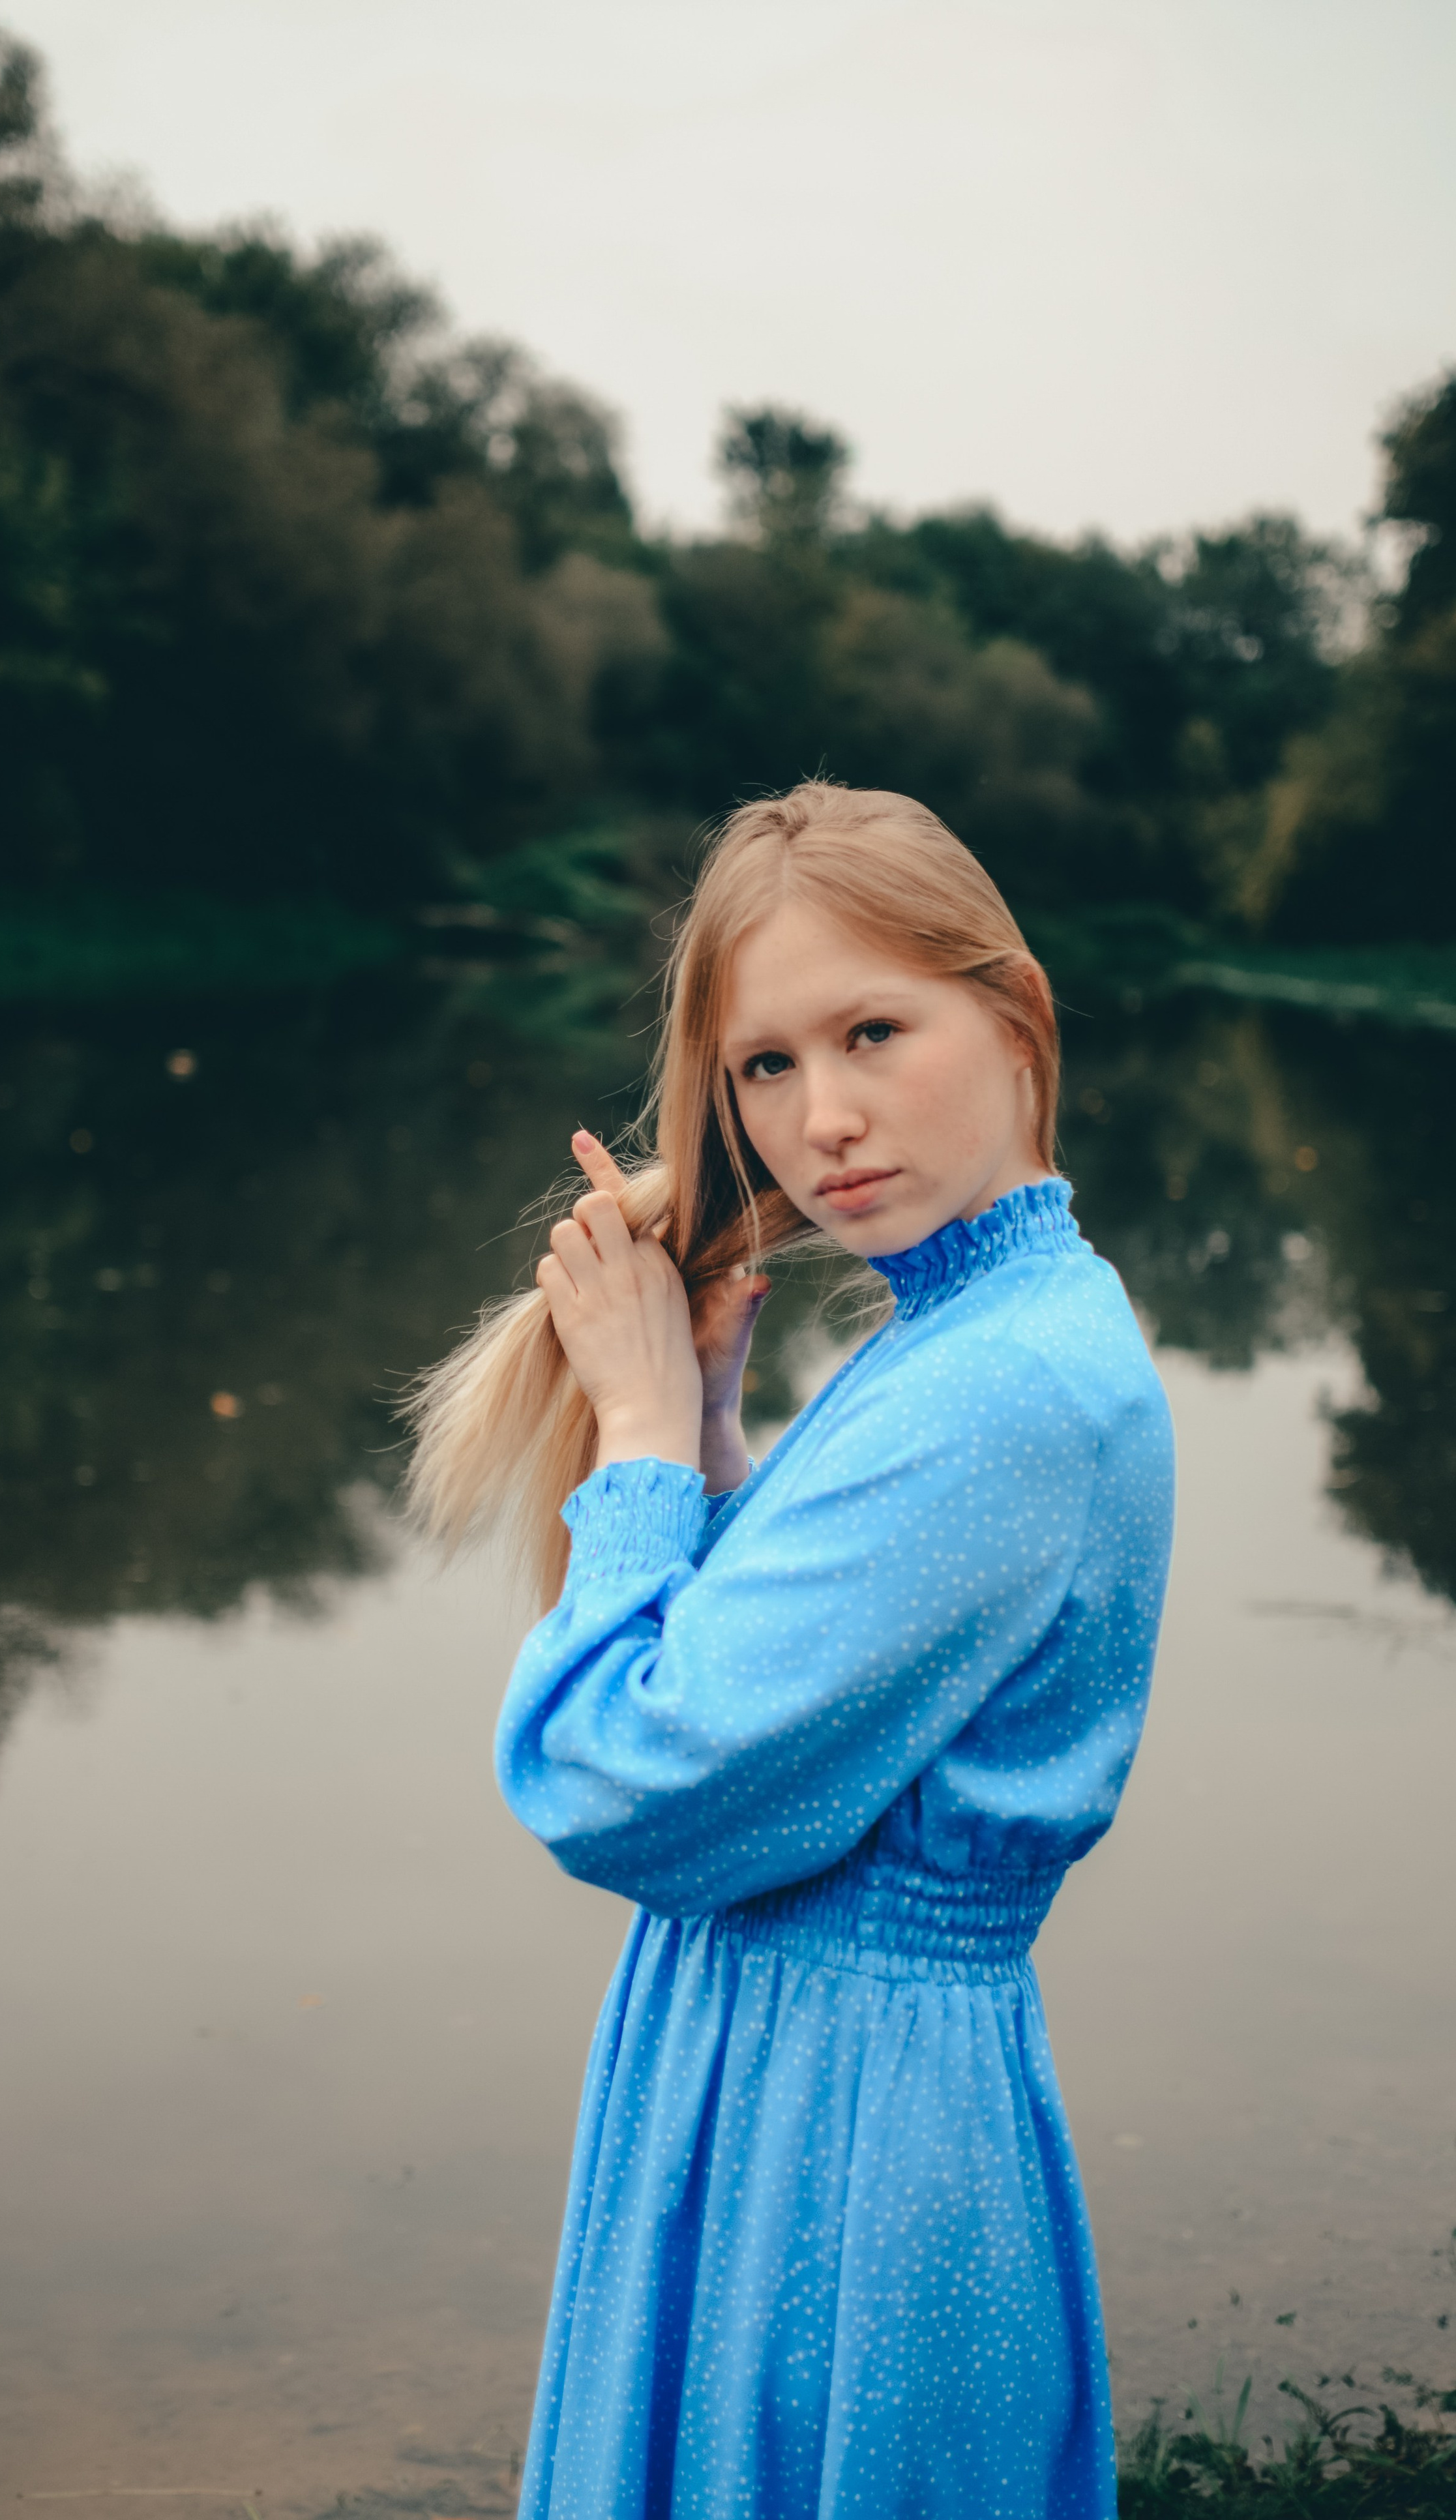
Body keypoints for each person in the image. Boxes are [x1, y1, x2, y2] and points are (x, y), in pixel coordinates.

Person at [406, 781, 1175, 2520]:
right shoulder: (981, 1323)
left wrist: (641, 1441)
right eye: (766, 1065)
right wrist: (725, 1438)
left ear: (1017, 1011)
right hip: (818, 2078)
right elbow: (860, 1680)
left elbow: (625, 1772)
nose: (823, 1118)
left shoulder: (999, 1389)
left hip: (838, 2146)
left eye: (874, 1030)